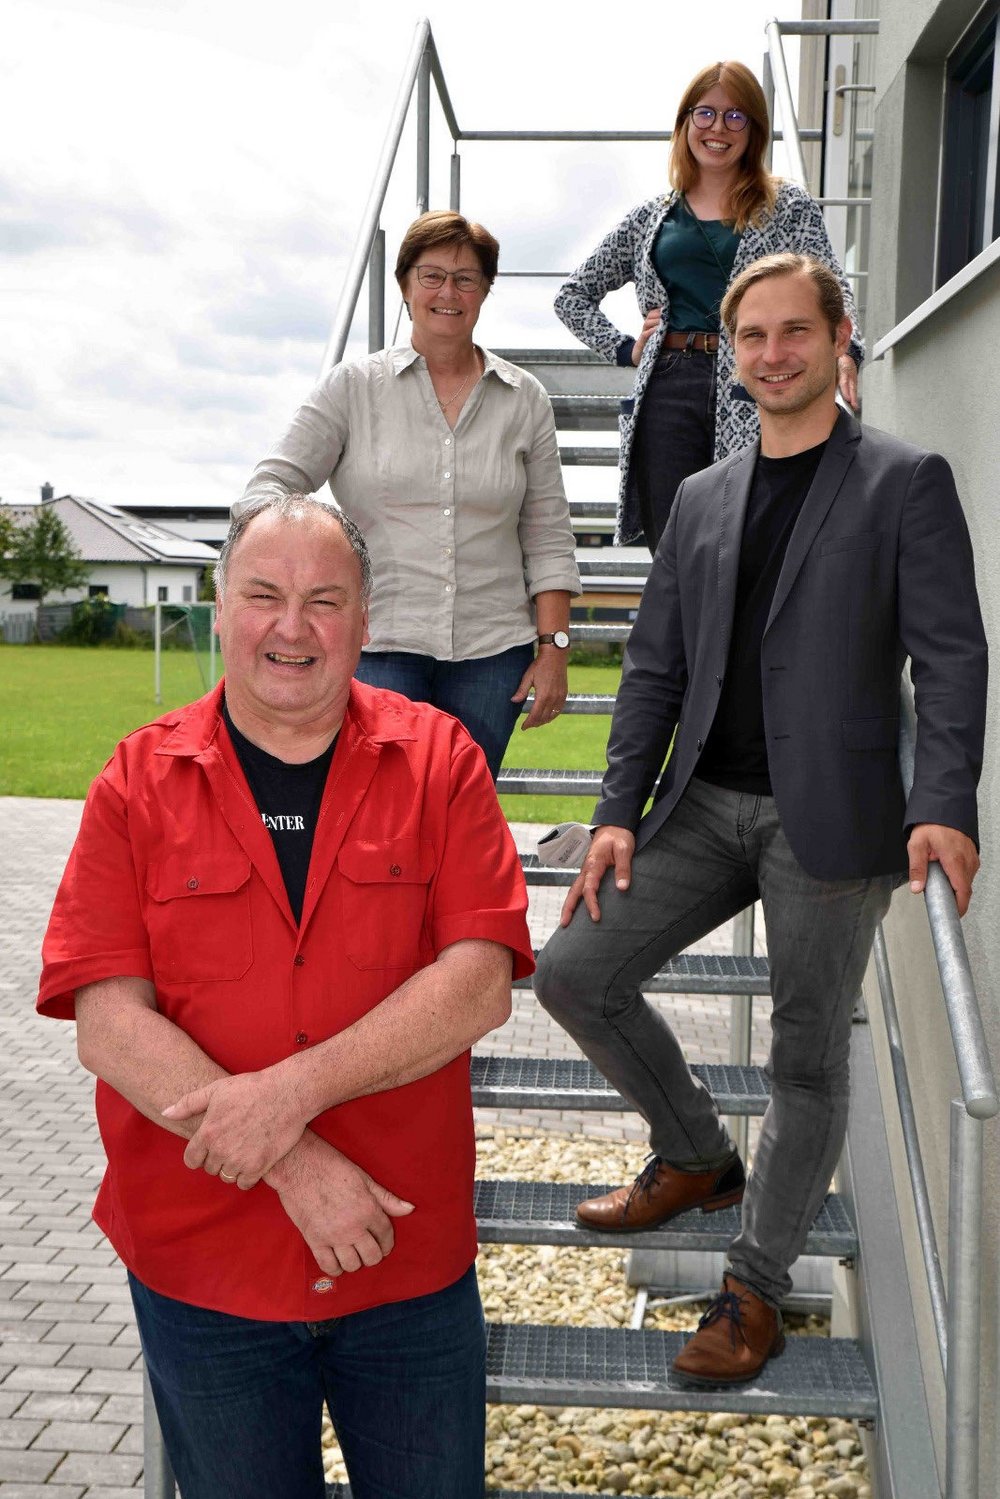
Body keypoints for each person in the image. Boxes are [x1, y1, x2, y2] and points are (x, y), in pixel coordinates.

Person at [534, 253, 987, 1386]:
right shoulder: (701, 496)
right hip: (702, 803)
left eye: (795, 332)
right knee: (575, 973)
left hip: (831, 818)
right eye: (753, 336)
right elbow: (652, 668)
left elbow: (950, 658)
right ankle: (695, 1151)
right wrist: (615, 811)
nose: (774, 354)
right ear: (730, 353)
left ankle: (754, 1289)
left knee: (803, 1057)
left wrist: (942, 803)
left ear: (839, 339)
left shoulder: (904, 480)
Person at [38, 493, 535, 1499]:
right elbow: (108, 1021)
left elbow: (478, 983)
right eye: (264, 595)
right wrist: (295, 1159)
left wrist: (283, 1097)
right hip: (203, 1265)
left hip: (403, 1258)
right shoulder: (136, 780)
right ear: (220, 607)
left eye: (325, 600)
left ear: (365, 619)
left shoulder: (442, 763)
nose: (292, 627)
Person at [238, 209, 581, 781]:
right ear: (404, 286)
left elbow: (547, 533)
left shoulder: (525, 399)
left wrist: (555, 649)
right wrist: (312, 551)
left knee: (463, 811)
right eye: (432, 276)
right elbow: (266, 489)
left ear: (485, 291)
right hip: (378, 644)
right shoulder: (352, 388)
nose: (448, 292)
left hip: (493, 654)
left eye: (466, 278)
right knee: (376, 810)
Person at [555, 60, 862, 552]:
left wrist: (848, 353)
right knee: (676, 545)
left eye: (736, 116)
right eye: (705, 114)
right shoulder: (650, 218)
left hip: (755, 379)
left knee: (753, 539)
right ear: (685, 123)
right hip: (668, 386)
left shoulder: (787, 206)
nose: (719, 128)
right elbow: (573, 297)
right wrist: (625, 348)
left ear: (754, 130)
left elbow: (831, 287)